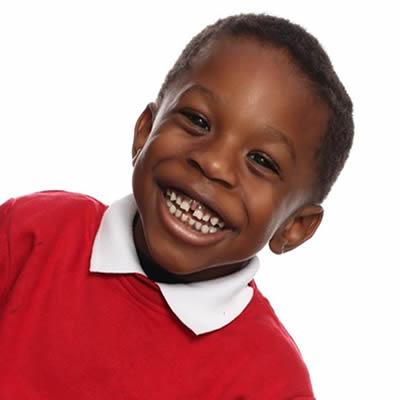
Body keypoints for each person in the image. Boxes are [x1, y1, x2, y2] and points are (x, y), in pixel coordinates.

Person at [0, 13, 353, 399]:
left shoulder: (271, 382)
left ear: (295, 227)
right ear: (144, 130)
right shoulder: (32, 232)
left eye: (261, 161)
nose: (214, 164)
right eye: (198, 121)